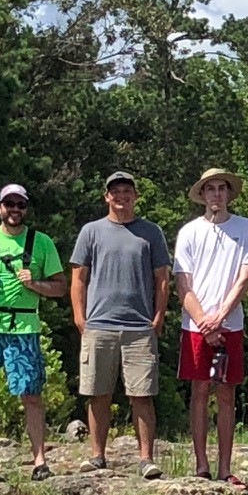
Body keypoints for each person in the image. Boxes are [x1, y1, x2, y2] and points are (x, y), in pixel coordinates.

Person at [0, 183, 67, 478]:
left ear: (25, 209)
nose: (14, 210)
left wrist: (35, 284)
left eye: (20, 205)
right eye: (9, 204)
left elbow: (60, 287)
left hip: (24, 326)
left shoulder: (41, 242)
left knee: (31, 393)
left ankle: (40, 460)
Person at [70, 172, 171, 479]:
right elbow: (78, 277)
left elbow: (162, 279)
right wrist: (79, 317)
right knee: (97, 392)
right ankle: (97, 455)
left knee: (142, 394)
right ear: (106, 197)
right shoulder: (91, 231)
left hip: (139, 327)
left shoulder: (150, 232)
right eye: (116, 192)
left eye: (127, 191)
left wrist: (158, 317)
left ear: (135, 196)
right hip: (98, 324)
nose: (121, 196)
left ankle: (146, 459)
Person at [172, 167, 248, 484]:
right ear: (203, 194)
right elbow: (183, 284)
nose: (217, 194)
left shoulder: (245, 228)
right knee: (199, 391)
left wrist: (220, 316)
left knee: (226, 394)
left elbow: (245, 277)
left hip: (230, 324)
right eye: (211, 189)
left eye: (222, 188)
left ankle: (225, 468)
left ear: (229, 194)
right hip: (196, 326)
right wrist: (203, 321)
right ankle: (201, 465)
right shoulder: (189, 232)